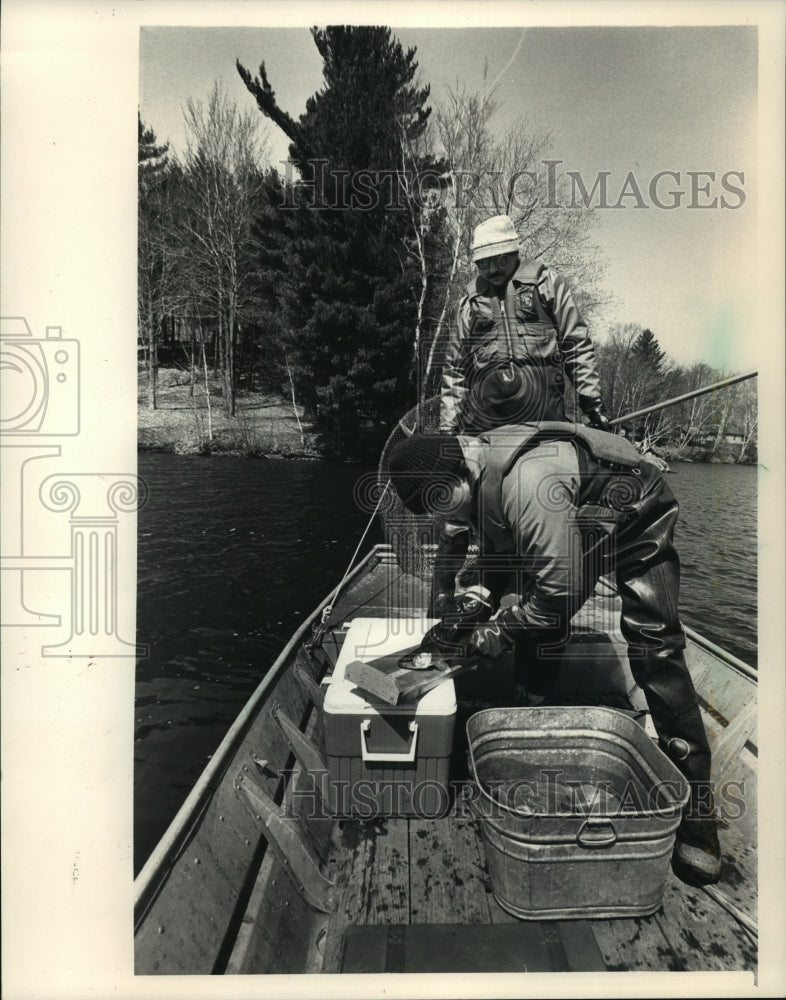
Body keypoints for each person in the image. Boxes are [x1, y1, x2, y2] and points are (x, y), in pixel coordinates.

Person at [387, 421, 722, 888]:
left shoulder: (526, 484)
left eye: (444, 504)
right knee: (524, 613)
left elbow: (557, 596)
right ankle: (533, 724)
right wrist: (469, 610)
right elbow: (501, 552)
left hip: (636, 509)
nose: (445, 522)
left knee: (654, 647)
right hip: (574, 516)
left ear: (460, 473)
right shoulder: (474, 473)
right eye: (432, 512)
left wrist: (499, 631)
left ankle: (699, 817)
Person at [439, 214, 609, 435]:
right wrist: (448, 427)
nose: (492, 270)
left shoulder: (547, 285)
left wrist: (591, 401)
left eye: (500, 259)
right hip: (488, 428)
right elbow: (455, 370)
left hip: (546, 422)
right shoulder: (469, 304)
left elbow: (576, 345)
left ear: (514, 252)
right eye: (483, 263)